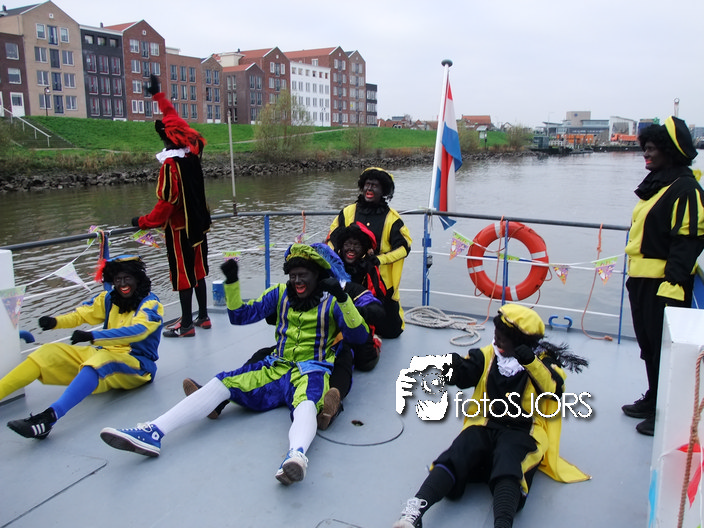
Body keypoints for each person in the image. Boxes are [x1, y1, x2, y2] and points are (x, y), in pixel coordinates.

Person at [100, 244, 369, 485]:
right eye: (293, 275)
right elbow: (240, 316)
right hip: (275, 367)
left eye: (303, 275)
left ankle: (296, 455)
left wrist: (342, 298)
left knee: (307, 403)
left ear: (317, 275)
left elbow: (359, 336)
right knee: (222, 382)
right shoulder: (279, 294)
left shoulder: (332, 299)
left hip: (312, 369)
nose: (297, 281)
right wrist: (232, 282)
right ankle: (154, 432)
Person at [392, 304, 589, 528]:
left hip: (523, 429)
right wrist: (453, 369)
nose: (496, 342)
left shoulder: (543, 362)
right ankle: (414, 511)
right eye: (495, 337)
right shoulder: (489, 355)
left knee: (510, 463)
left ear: (520, 343)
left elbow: (554, 390)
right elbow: (468, 371)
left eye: (502, 339)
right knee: (457, 452)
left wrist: (531, 363)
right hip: (485, 423)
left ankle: (502, 524)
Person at [4, 255, 163, 439]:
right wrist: (55, 322)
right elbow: (81, 315)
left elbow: (138, 332)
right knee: (47, 352)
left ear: (138, 279)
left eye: (127, 278)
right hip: (103, 353)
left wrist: (94, 336)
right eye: (118, 279)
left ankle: (48, 419)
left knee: (101, 360)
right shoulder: (109, 299)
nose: (122, 284)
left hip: (138, 365)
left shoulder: (151, 304)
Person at [622, 116, 704, 436]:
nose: (646, 153)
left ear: (670, 152)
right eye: (645, 147)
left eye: (652, 148)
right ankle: (653, 397)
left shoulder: (686, 189)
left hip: (663, 284)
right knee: (648, 346)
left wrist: (673, 283)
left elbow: (688, 240)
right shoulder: (661, 185)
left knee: (662, 350)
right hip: (641, 280)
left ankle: (666, 413)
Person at [132, 74, 212, 338]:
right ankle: (203, 316)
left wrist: (142, 222)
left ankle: (186, 324)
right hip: (199, 225)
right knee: (198, 271)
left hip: (180, 229)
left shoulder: (171, 165)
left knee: (183, 274)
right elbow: (171, 115)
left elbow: (166, 204)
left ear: (167, 138)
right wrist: (158, 96)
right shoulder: (191, 158)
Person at [326, 167, 412, 336]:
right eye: (367, 184)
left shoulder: (392, 218)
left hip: (378, 279)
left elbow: (404, 248)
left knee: (391, 331)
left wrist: (380, 259)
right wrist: (336, 258)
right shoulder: (348, 212)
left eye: (375, 185)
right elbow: (331, 238)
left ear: (383, 190)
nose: (369, 189)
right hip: (348, 275)